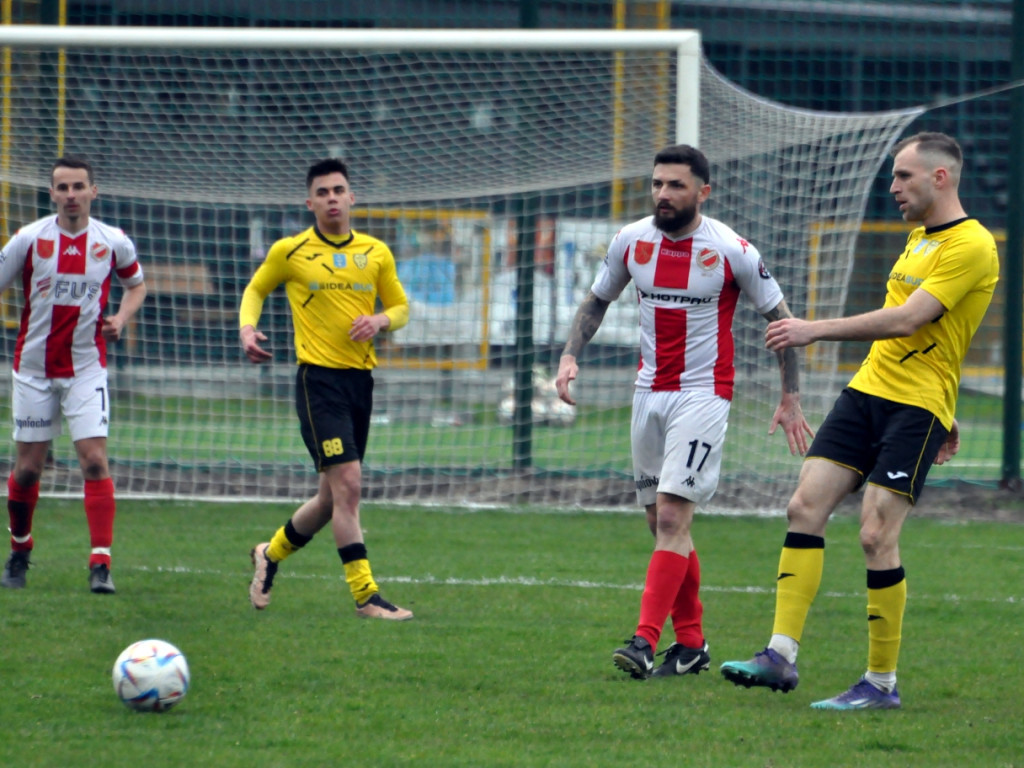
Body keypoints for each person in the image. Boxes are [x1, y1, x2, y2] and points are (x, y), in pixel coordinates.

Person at [720, 131, 998, 710]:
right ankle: (779, 656)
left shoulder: (971, 245)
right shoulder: (918, 239)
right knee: (804, 507)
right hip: (866, 391)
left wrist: (811, 328)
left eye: (904, 176)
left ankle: (880, 684)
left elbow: (909, 321)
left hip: (916, 405)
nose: (893, 187)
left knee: (875, 534)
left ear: (940, 177)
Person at [555, 144, 812, 679]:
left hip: (704, 393)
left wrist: (791, 397)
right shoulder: (631, 240)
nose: (663, 194)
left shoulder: (731, 250)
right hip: (648, 392)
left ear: (703, 192)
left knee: (673, 515)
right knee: (660, 523)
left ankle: (645, 641)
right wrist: (570, 355)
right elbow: (598, 300)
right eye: (657, 184)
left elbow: (781, 319)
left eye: (675, 185)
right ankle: (691, 645)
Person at [240, 158, 413, 620]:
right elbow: (255, 289)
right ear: (310, 202)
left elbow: (399, 307)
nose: (332, 198)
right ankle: (366, 595)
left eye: (339, 190)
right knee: (350, 486)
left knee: (330, 497)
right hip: (318, 382)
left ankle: (269, 555)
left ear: (352, 197)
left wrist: (379, 319)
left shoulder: (375, 252)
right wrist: (247, 328)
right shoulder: (290, 251)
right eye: (323, 192)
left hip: (360, 381)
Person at [0, 156, 147, 593]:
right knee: (28, 470)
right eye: (62, 188)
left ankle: (100, 564)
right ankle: (19, 551)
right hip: (33, 370)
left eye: (78, 187)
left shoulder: (113, 242)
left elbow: (136, 285)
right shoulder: (28, 239)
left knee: (95, 461)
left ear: (93, 191)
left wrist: (120, 318)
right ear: (52, 194)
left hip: (86, 369)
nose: (71, 195)